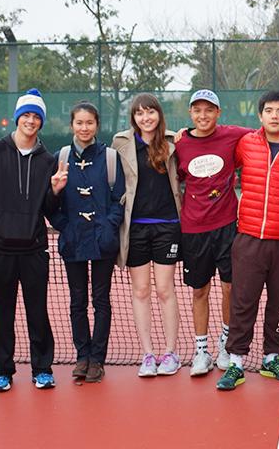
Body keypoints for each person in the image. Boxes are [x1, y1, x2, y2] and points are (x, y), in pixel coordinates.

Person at [175, 89, 279, 377]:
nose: (203, 115)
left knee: (255, 297)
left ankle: (259, 354)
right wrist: (178, 135)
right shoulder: (192, 143)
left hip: (265, 234)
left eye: (209, 109)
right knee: (225, 296)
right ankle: (219, 356)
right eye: (197, 110)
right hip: (227, 233)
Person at [0, 88, 66, 392]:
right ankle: (3, 370)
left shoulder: (49, 160)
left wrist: (55, 191)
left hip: (35, 249)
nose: (31, 120)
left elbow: (49, 211)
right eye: (26, 114)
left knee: (38, 312)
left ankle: (42, 369)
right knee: (3, 313)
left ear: (41, 122)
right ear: (17, 117)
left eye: (37, 116)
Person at [216, 90, 279, 391]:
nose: (274, 115)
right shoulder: (245, 144)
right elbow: (216, 138)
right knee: (243, 302)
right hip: (248, 238)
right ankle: (236, 363)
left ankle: (273, 357)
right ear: (260, 116)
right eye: (268, 110)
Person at [49, 102, 125, 384]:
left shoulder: (110, 157)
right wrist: (64, 227)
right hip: (73, 241)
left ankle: (97, 359)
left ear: (97, 124)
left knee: (101, 300)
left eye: (89, 122)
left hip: (102, 240)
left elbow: (119, 199)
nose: (84, 128)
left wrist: (108, 226)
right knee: (77, 301)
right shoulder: (60, 157)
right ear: (72, 125)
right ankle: (82, 356)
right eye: (79, 123)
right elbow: (51, 200)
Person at [112, 93, 183, 377]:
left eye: (151, 112)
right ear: (134, 117)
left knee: (166, 290)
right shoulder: (121, 144)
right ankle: (147, 354)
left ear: (159, 115)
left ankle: (170, 353)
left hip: (167, 225)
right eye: (140, 113)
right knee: (140, 291)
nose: (146, 117)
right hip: (135, 228)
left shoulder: (174, 143)